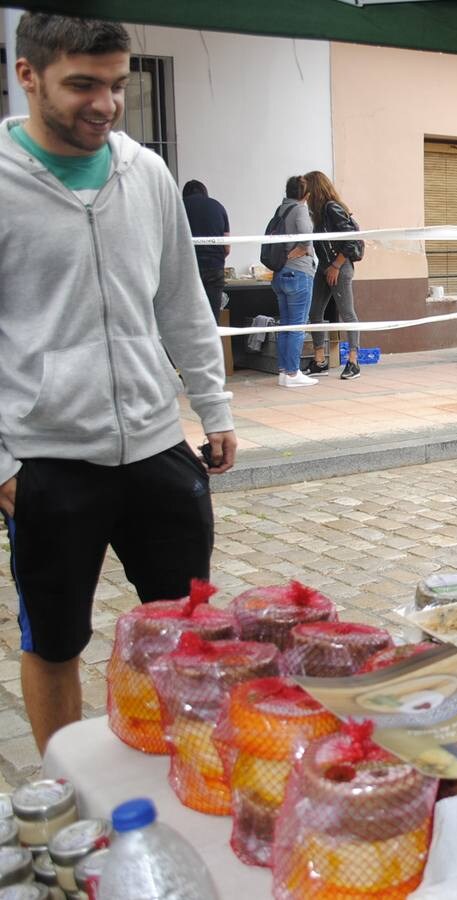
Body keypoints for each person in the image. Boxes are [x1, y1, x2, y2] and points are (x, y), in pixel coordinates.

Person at [0, 13, 237, 755]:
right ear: (27, 75)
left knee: (187, 628)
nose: (104, 104)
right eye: (81, 85)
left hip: (156, 442)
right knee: (55, 639)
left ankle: (185, 765)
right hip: (47, 458)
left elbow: (180, 302)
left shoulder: (147, 172)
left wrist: (214, 404)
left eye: (116, 85)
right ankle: (68, 787)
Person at [302, 170, 364, 380]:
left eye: (306, 188)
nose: (304, 194)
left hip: (339, 266)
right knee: (315, 312)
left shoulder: (332, 208)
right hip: (324, 266)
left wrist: (336, 266)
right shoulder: (317, 213)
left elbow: (350, 239)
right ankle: (320, 360)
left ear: (314, 188)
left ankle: (354, 361)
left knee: (347, 313)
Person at [269, 175, 318, 388]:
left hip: (280, 275)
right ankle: (292, 373)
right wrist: (293, 255)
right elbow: (307, 239)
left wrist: (284, 258)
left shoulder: (281, 209)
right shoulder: (299, 209)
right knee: (298, 325)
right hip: (298, 273)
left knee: (286, 325)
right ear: (305, 195)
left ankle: (283, 371)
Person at [181, 179, 230, 320]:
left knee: (187, 319)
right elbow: (227, 247)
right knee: (212, 319)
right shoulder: (218, 207)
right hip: (214, 269)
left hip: (186, 269)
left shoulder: (179, 206)